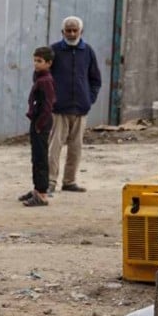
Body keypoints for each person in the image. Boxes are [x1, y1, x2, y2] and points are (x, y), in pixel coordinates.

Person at [47, 15, 102, 194]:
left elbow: (95, 79)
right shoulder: (53, 51)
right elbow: (42, 76)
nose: (71, 33)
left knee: (76, 148)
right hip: (59, 110)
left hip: (80, 108)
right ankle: (50, 181)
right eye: (68, 30)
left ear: (81, 31)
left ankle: (69, 181)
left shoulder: (88, 51)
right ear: (62, 32)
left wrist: (89, 98)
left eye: (74, 30)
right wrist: (50, 99)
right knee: (54, 147)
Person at [19, 46, 57, 207]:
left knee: (41, 158)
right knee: (36, 157)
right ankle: (37, 189)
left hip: (41, 123)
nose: (36, 64)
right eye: (35, 60)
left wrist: (40, 125)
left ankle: (42, 194)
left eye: (40, 61)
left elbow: (48, 105)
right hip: (37, 121)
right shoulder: (39, 77)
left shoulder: (46, 81)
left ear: (49, 63)